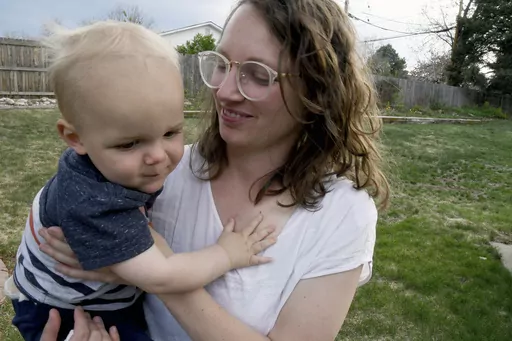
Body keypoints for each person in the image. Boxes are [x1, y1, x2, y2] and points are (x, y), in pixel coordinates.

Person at [38, 0, 390, 340]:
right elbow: (55, 253)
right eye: (223, 63)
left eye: (257, 74)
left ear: (317, 90)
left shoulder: (343, 214)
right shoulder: (159, 172)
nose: (224, 91)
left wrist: (147, 271)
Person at [6, 20, 276, 341]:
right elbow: (162, 277)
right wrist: (228, 254)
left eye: (170, 133)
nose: (158, 157)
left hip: (92, 299)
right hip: (65, 314)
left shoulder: (108, 169)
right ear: (75, 138)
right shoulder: (94, 201)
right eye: (129, 143)